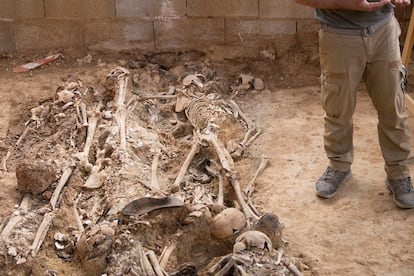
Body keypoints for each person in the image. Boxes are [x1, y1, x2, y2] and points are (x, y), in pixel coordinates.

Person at [294, 0, 414, 208]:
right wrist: (347, 3)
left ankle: (398, 172)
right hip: (338, 35)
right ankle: (339, 165)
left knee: (393, 108)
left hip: (384, 31)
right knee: (337, 109)